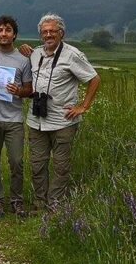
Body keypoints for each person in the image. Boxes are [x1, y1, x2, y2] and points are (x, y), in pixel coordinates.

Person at [27, 14, 100, 213]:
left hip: (63, 121)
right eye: (44, 31)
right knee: (37, 164)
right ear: (40, 34)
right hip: (37, 120)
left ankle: (56, 205)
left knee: (61, 166)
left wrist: (83, 106)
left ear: (62, 33)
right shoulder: (35, 54)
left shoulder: (72, 54)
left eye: (52, 31)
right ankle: (39, 203)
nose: (48, 35)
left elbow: (94, 79)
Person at [0, 16, 33, 218]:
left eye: (8, 30)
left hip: (14, 119)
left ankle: (17, 200)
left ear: (14, 34)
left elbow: (29, 89)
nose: (3, 33)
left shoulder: (23, 59)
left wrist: (18, 91)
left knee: (16, 161)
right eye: (0, 30)